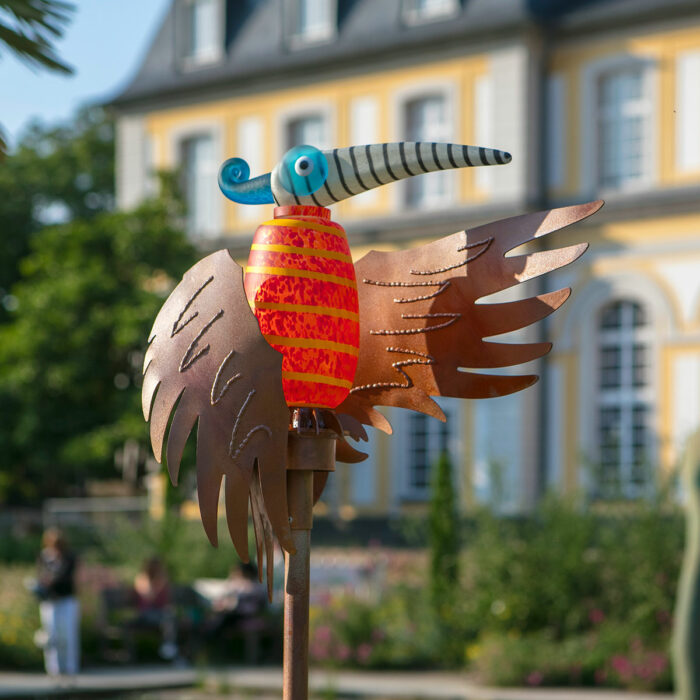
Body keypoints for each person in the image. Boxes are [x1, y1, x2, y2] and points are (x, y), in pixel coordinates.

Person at [36, 528, 80, 676]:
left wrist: (51, 580)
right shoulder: (44, 557)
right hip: (49, 600)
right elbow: (40, 574)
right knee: (51, 635)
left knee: (68, 635)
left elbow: (66, 577)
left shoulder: (69, 557)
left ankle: (70, 668)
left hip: (66, 599)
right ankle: (53, 669)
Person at [131, 556, 178, 660]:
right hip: (145, 614)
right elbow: (149, 596)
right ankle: (169, 648)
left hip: (160, 614)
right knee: (167, 620)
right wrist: (158, 584)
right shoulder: (142, 579)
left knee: (171, 618)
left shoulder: (162, 580)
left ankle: (169, 647)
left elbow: (167, 601)